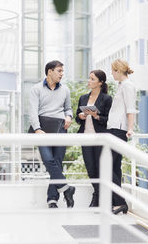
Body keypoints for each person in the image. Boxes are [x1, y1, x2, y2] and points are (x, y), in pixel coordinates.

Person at [29, 60, 76, 209]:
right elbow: (32, 111)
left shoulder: (65, 90)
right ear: (50, 71)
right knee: (48, 160)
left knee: (57, 162)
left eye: (62, 71)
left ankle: (52, 199)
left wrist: (69, 117)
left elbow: (68, 108)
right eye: (59, 71)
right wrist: (37, 129)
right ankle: (67, 189)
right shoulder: (36, 89)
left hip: (61, 128)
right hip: (42, 129)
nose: (62, 74)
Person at [75, 70, 112, 207]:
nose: (89, 81)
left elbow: (108, 120)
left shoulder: (107, 99)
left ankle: (97, 198)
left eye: (92, 79)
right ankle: (98, 195)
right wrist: (80, 116)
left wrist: (96, 116)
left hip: (100, 138)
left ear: (100, 83)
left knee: (100, 168)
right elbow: (77, 117)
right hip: (85, 137)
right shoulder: (83, 98)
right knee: (90, 168)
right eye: (89, 78)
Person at [107, 59, 137, 215]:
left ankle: (119, 202)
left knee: (108, 164)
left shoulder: (128, 86)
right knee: (114, 166)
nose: (111, 74)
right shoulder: (121, 86)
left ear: (118, 70)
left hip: (119, 130)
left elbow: (131, 109)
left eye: (112, 71)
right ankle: (118, 202)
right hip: (113, 129)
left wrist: (130, 128)